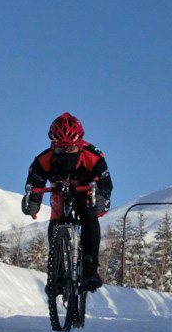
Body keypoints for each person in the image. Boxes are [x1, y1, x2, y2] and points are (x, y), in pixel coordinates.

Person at [22, 112, 113, 292]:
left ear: (79, 145)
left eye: (70, 149)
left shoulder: (94, 157)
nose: (65, 154)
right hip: (59, 189)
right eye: (60, 149)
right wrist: (32, 201)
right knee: (56, 219)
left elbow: (106, 185)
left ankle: (90, 267)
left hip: (85, 189)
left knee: (89, 214)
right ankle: (57, 273)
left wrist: (101, 199)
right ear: (52, 146)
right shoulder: (42, 160)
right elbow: (33, 186)